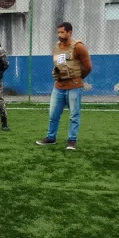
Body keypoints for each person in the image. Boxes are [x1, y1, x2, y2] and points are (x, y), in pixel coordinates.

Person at [35, 22, 92, 151]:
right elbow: (58, 65)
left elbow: (88, 67)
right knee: (53, 114)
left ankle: (72, 140)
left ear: (70, 32)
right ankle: (51, 137)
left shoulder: (78, 47)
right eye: (58, 32)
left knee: (74, 115)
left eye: (62, 32)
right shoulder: (57, 47)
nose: (59, 35)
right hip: (58, 86)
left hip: (74, 87)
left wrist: (78, 78)